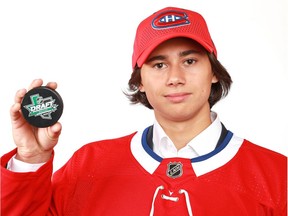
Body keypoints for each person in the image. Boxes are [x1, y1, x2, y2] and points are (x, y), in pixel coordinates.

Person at [1, 6, 287, 216]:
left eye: (189, 61)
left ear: (214, 72)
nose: (175, 77)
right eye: (159, 65)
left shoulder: (277, 177)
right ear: (139, 81)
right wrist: (31, 160)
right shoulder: (88, 167)